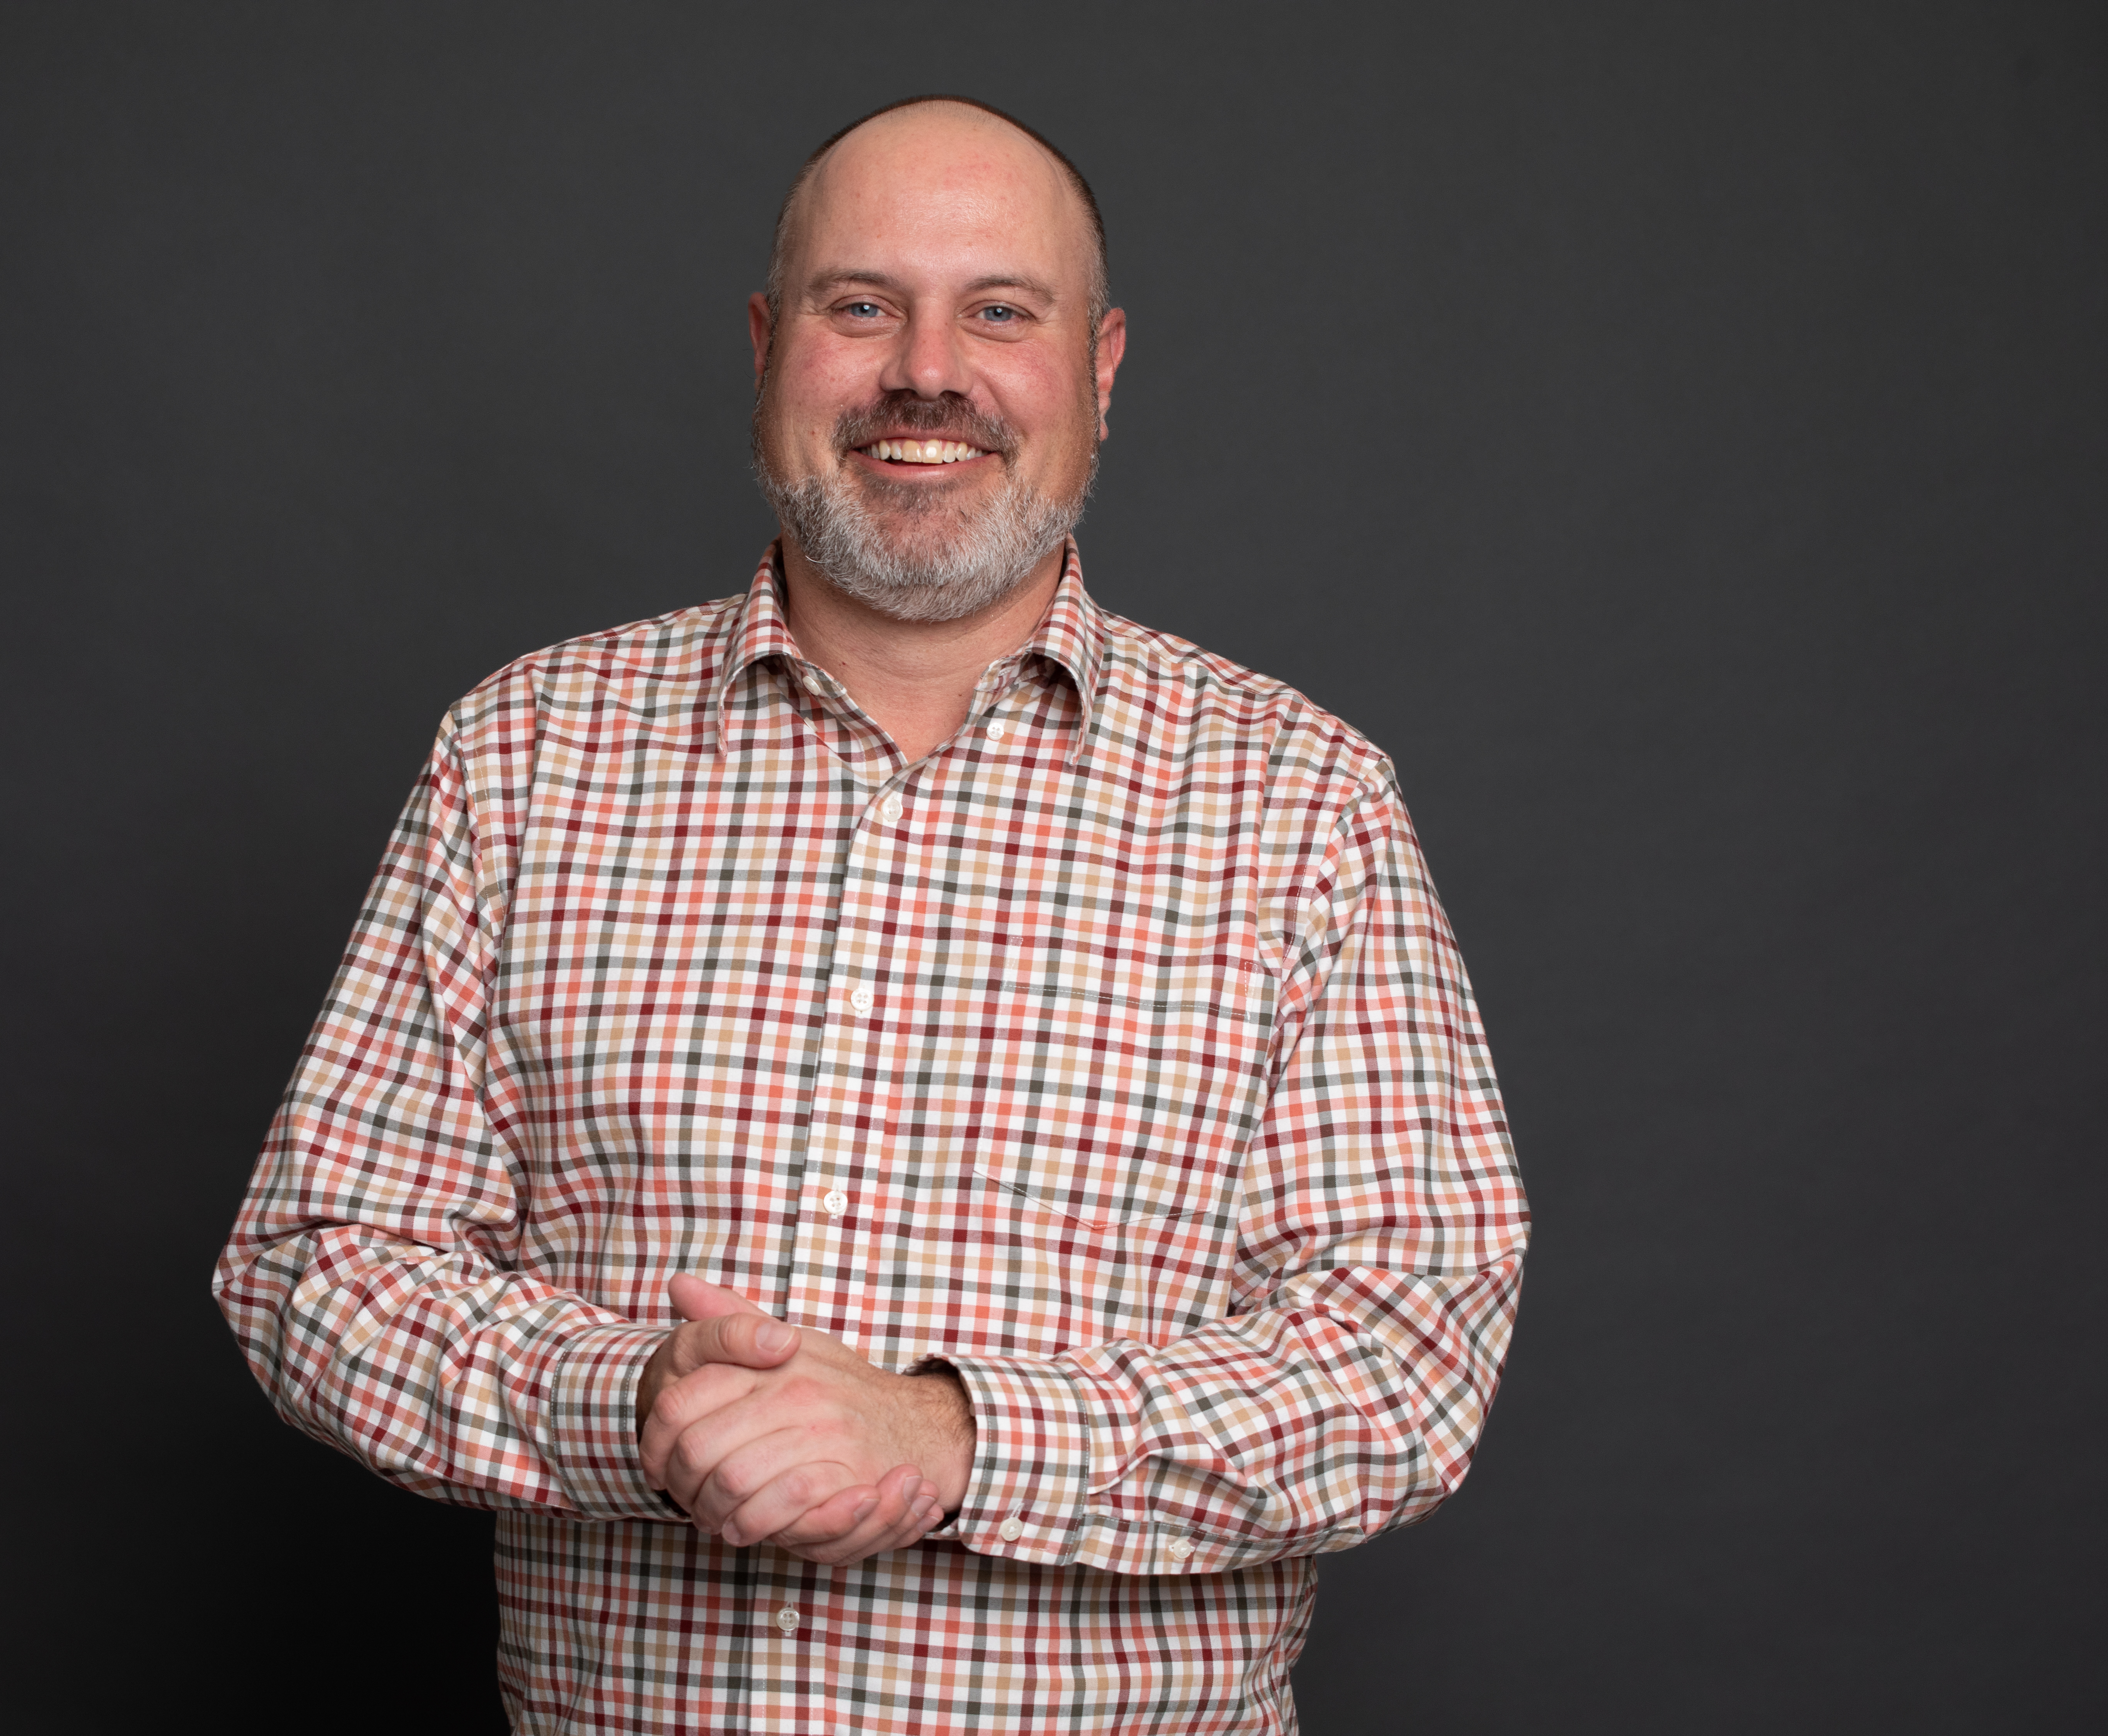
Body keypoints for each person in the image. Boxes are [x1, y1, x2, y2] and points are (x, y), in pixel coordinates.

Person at [215, 94, 1528, 1734]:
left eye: (1000, 309)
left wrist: (951, 1440)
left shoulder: (1302, 804)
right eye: (861, 306)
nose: (926, 369)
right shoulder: (525, 753)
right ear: (769, 347)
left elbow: (1409, 1354)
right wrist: (627, 1404)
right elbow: (317, 1261)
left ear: (1101, 371)